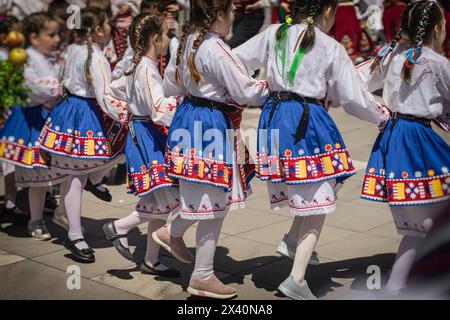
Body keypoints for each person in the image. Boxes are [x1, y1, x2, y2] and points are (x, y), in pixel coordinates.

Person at [234, 0, 389, 299]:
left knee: (328, 180)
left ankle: (293, 239)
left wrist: (256, 89)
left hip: (276, 115)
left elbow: (234, 59)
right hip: (306, 121)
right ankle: (296, 278)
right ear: (328, 11)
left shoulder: (275, 33)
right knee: (320, 197)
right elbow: (353, 98)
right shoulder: (330, 46)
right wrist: (382, 116)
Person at [152, 0, 269, 299]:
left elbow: (170, 85)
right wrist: (275, 85)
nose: (233, 18)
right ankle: (202, 274)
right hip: (210, 123)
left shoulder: (187, 41)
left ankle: (173, 233)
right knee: (215, 199)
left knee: (203, 192)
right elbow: (247, 91)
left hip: (188, 117)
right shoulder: (216, 48)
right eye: (231, 12)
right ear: (220, 14)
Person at [358, 0, 449, 295]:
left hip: (394, 139)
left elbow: (355, 83)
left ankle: (398, 288)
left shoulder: (390, 54)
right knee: (432, 222)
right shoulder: (436, 62)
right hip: (419, 145)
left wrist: (380, 111)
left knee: (417, 229)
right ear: (437, 27)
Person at [103, 13, 182, 277]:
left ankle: (150, 260)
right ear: (156, 39)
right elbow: (159, 110)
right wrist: (185, 107)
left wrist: (128, 113)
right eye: (167, 34)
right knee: (171, 201)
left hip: (143, 134)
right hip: (148, 138)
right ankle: (120, 227)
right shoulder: (147, 69)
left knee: (157, 202)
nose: (169, 39)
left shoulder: (137, 65)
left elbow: (113, 90)